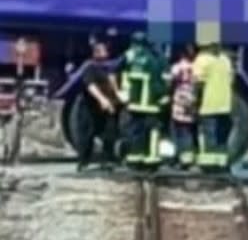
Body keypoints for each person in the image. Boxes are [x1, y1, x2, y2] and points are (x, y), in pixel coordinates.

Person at [119, 32, 168, 169]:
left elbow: (122, 75)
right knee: (152, 131)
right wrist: (163, 98)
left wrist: (124, 97)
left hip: (134, 104)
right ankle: (151, 160)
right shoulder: (157, 59)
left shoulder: (130, 57)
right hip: (152, 104)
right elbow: (163, 82)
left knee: (135, 131)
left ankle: (135, 158)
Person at [77, 40, 119, 171]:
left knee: (109, 132)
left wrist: (116, 97)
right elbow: (90, 86)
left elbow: (113, 86)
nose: (106, 53)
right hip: (90, 107)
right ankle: (84, 162)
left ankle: (107, 160)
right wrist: (101, 99)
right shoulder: (90, 67)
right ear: (96, 53)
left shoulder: (109, 68)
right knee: (87, 134)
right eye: (103, 50)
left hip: (107, 107)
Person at [192, 42, 234, 170]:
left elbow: (198, 84)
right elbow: (231, 80)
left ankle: (209, 168)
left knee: (209, 137)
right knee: (221, 139)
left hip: (208, 105)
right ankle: (222, 166)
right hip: (224, 105)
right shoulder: (225, 60)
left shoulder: (201, 59)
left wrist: (195, 102)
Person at [169, 44, 198, 167]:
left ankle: (179, 156)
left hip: (179, 102)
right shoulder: (196, 67)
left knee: (178, 130)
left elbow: (170, 80)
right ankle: (188, 157)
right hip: (191, 101)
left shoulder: (177, 67)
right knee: (188, 130)